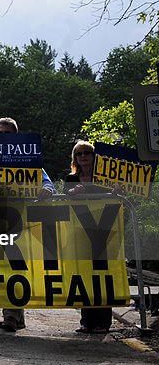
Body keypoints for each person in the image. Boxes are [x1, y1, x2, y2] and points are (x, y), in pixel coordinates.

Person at [0, 117, 55, 332]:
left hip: (19, 221)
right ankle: (16, 316)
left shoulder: (27, 159)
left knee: (14, 267)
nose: (2, 137)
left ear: (15, 136)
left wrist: (48, 191)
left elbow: (47, 182)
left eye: (7, 133)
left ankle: (11, 317)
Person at [65, 140, 118, 334]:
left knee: (102, 275)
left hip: (103, 232)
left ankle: (103, 322)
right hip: (80, 233)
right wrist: (72, 192)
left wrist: (116, 193)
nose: (84, 156)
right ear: (75, 158)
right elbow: (63, 197)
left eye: (87, 152)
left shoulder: (105, 178)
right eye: (79, 154)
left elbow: (115, 197)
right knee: (85, 275)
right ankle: (86, 320)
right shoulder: (71, 178)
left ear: (95, 156)